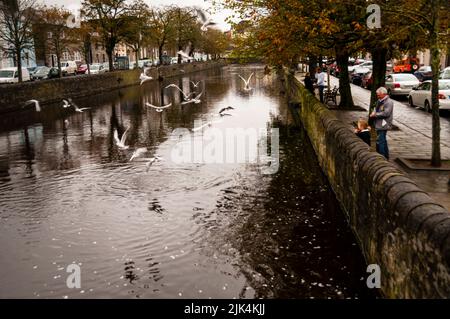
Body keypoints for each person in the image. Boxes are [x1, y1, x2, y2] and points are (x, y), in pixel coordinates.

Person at [370, 87, 394, 160]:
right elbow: (377, 109)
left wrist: (375, 114)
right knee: (382, 140)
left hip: (383, 124)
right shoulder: (380, 101)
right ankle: (385, 156)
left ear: (383, 94)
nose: (377, 96)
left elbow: (386, 113)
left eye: (378, 95)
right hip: (379, 123)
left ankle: (382, 157)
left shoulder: (388, 102)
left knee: (380, 141)